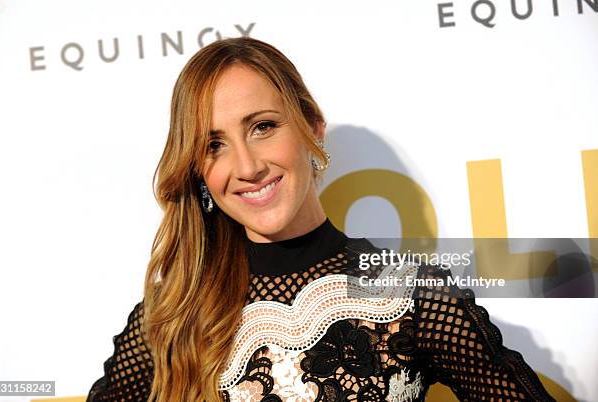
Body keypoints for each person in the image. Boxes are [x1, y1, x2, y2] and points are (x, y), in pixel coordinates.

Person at [86, 37, 556, 402]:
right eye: (214, 145)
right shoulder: (173, 315)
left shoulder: (411, 294)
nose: (247, 166)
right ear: (197, 169)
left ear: (312, 128)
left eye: (263, 127)